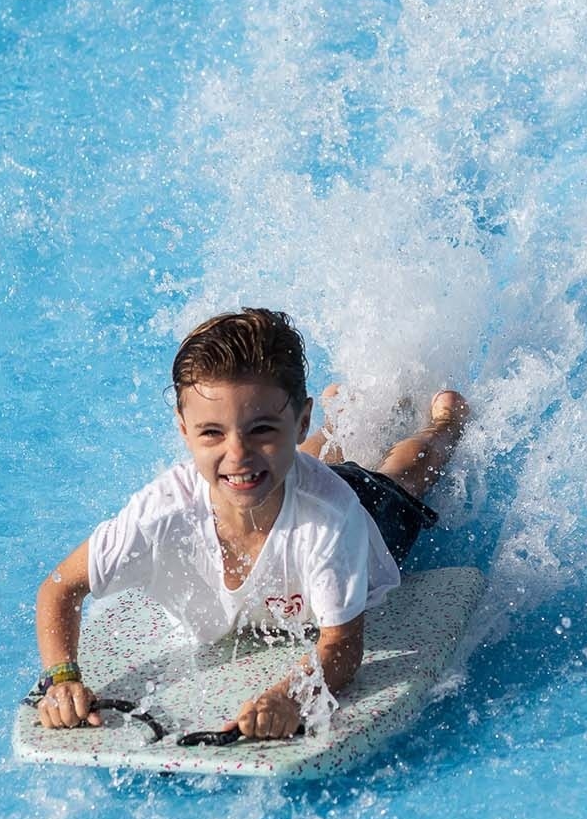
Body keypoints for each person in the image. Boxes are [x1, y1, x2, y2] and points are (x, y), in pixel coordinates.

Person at [32, 307, 469, 742]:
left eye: (261, 428)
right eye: (212, 434)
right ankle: (336, 421)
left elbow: (341, 648)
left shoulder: (331, 521)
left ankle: (445, 425)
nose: (237, 453)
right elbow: (59, 587)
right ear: (184, 431)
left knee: (404, 474)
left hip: (365, 515)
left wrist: (289, 697)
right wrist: (62, 676)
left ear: (300, 422)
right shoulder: (159, 515)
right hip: (287, 478)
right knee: (275, 467)